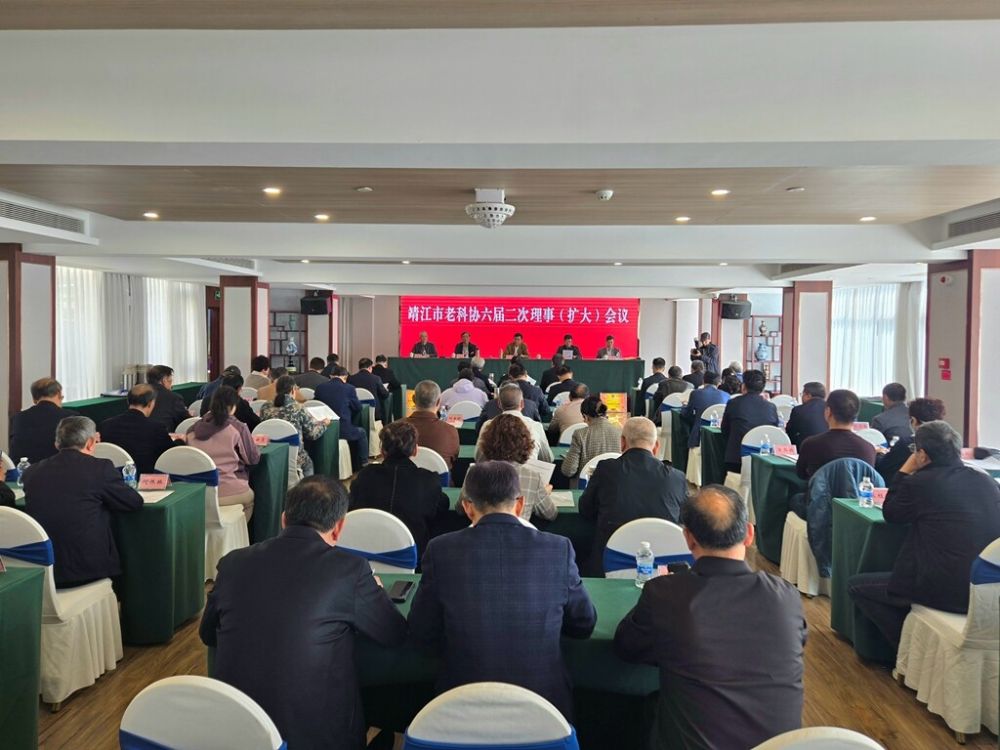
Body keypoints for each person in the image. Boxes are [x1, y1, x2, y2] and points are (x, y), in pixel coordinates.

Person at [200, 476, 407, 750]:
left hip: (237, 731)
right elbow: (393, 633)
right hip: (318, 738)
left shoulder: (233, 563)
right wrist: (376, 591)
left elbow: (208, 634)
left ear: (284, 519)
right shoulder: (350, 570)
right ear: (339, 527)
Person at [614, 485, 807, 750]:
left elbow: (627, 647)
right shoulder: (786, 597)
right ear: (749, 534)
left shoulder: (666, 593)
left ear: (688, 538)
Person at [408, 461, 596, 719]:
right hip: (544, 710)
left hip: (461, 707)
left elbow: (422, 631)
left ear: (468, 507)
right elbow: (584, 624)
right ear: (519, 505)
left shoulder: (441, 550)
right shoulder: (558, 549)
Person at [849, 421, 1000, 650]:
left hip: (946, 590)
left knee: (857, 587)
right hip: (987, 592)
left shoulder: (920, 482)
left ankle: (907, 652)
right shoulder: (985, 480)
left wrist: (903, 471)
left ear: (922, 455)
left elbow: (891, 514)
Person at [21, 416, 143, 587]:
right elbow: (134, 502)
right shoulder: (100, 468)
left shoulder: (32, 472)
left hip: (42, 570)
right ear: (91, 443)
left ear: (57, 443)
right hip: (88, 569)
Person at [579, 417, 688, 575]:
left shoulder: (606, 469)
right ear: (656, 447)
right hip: (664, 569)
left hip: (608, 566)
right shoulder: (677, 478)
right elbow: (684, 520)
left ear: (622, 442)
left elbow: (585, 509)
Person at [349, 421, 448, 558]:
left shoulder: (365, 476)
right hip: (414, 556)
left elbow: (352, 508)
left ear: (382, 451)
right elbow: (442, 506)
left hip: (366, 553)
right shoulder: (429, 480)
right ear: (415, 450)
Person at [462, 415, 557, 522]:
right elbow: (551, 514)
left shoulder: (473, 473)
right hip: (519, 532)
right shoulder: (532, 477)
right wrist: (543, 494)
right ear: (524, 442)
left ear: (487, 440)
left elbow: (460, 508)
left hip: (479, 531)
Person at [187, 386, 260, 521]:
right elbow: (253, 459)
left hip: (200, 492)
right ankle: (238, 532)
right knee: (250, 498)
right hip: (231, 489)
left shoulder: (192, 430)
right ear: (233, 406)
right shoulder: (238, 428)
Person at [99, 384, 181, 474]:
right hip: (145, 477)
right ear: (150, 403)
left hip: (113, 476)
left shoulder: (106, 425)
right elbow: (171, 454)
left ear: (128, 401)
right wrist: (180, 440)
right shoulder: (156, 428)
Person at [795, 389, 876, 480]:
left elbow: (801, 474)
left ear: (828, 412)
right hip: (856, 490)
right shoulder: (868, 449)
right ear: (856, 414)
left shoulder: (811, 444)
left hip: (818, 489)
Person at [261, 375, 330, 479]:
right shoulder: (298, 408)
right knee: (308, 464)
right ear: (293, 390)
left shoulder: (265, 407)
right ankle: (307, 488)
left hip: (271, 452)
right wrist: (324, 424)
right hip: (295, 455)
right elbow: (312, 434)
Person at [719, 369, 779, 473]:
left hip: (736, 460)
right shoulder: (771, 407)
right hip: (764, 462)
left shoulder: (734, 403)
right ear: (763, 388)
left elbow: (724, 430)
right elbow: (774, 432)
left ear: (743, 386)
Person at [476, 383, 553, 463]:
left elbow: (479, 458)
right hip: (527, 471)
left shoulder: (487, 425)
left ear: (499, 404)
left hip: (494, 470)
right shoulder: (536, 426)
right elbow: (547, 459)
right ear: (522, 404)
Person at [876, 398, 946, 484]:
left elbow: (883, 466)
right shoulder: (947, 444)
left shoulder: (907, 444)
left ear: (913, 420)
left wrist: (879, 453)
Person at [10, 377, 77, 464]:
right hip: (60, 467)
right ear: (58, 394)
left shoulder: (18, 418)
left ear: (34, 399)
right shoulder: (71, 417)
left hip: (25, 469)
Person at [315, 366, 368, 471]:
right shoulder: (349, 388)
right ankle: (363, 463)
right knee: (362, 432)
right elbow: (358, 407)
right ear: (345, 376)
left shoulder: (320, 387)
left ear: (331, 376)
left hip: (323, 428)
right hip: (342, 430)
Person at [561, 396, 623, 479]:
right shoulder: (621, 432)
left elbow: (568, 471)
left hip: (586, 485)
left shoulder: (580, 434)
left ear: (585, 417)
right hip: (615, 483)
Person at [404, 380, 460, 469]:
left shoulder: (394, 429)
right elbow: (455, 459)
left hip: (403, 477)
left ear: (414, 399)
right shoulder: (450, 431)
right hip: (440, 477)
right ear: (438, 402)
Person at [681, 372, 730, 448]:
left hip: (698, 437)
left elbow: (687, 414)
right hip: (720, 439)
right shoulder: (727, 396)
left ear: (703, 381)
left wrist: (684, 406)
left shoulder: (695, 393)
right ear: (718, 383)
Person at [785, 382, 828, 450]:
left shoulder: (798, 410)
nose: (802, 397)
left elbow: (790, 431)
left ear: (808, 395)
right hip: (828, 447)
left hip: (805, 448)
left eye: (802, 394)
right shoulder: (831, 409)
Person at [147, 364, 190, 432]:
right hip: (164, 435)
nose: (171, 385)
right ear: (164, 380)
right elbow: (184, 420)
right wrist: (188, 414)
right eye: (170, 380)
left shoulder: (139, 393)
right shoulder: (173, 397)